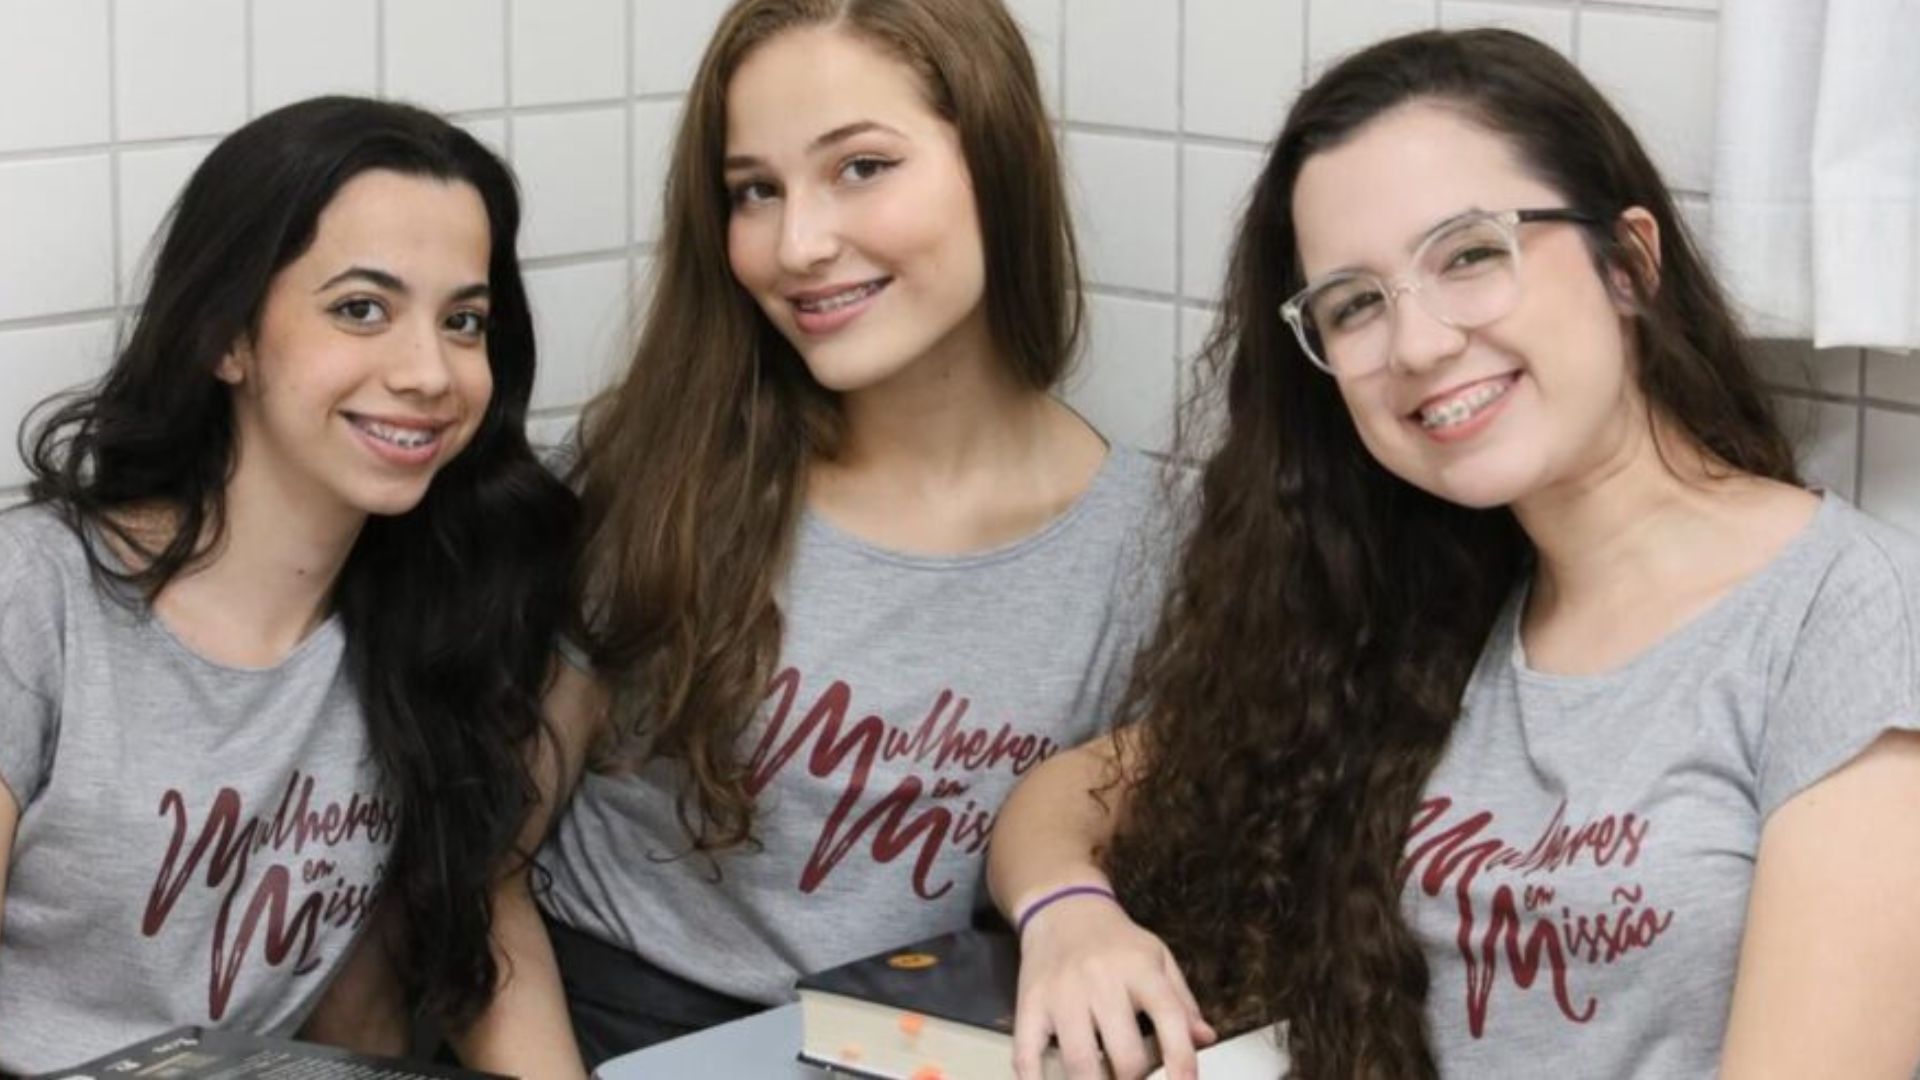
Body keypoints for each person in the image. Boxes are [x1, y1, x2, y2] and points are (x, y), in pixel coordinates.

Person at [987, 28, 1920, 1080]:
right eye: (1355, 304)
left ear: (1629, 263)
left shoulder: (1847, 617)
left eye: (1470, 254)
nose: (1419, 344)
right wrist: (1070, 918)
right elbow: (1063, 797)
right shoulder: (1424, 601)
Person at [454, 0, 1180, 1074]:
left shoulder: (1152, 542)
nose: (798, 246)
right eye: (755, 190)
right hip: (607, 1041)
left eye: (861, 167)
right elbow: (476, 875)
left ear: (998, 160)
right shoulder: (651, 478)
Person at [0, 96, 576, 1075]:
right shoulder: (36, 599)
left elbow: (452, 942)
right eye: (361, 309)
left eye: (463, 321)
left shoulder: (434, 615)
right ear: (226, 337)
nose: (429, 373)